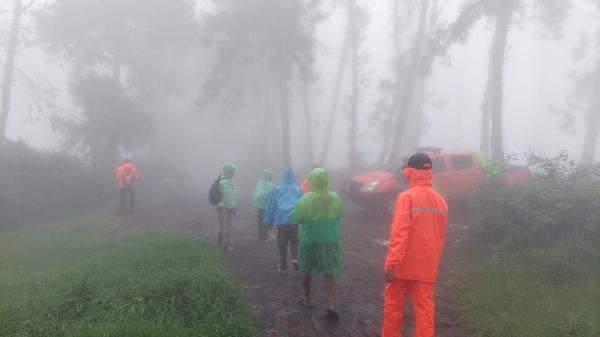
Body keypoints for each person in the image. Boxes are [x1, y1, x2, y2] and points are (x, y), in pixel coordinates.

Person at [381, 153, 448, 337]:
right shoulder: (440, 201)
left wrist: (391, 264)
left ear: (410, 171)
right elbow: (440, 237)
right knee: (425, 314)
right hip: (426, 268)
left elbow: (399, 233)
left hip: (402, 268)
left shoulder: (406, 197)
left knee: (393, 311)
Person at [294, 167, 342, 321]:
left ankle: (307, 298)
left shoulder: (306, 198)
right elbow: (339, 214)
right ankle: (332, 304)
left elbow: (298, 217)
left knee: (306, 269)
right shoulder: (334, 197)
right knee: (329, 271)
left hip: (310, 239)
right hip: (329, 239)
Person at [264, 167, 303, 273]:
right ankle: (295, 258)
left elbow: (271, 205)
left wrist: (269, 219)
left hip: (281, 220)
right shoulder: (298, 189)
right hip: (294, 219)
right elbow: (302, 203)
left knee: (282, 243)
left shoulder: (277, 189)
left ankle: (283, 266)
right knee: (295, 240)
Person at [217, 162, 237, 251]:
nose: (233, 174)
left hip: (222, 206)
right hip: (225, 207)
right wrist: (232, 207)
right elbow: (228, 196)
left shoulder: (222, 180)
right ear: (228, 171)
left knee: (223, 225)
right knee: (227, 225)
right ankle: (226, 245)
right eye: (232, 172)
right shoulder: (225, 182)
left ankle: (220, 243)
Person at [253, 169, 274, 241]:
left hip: (259, 205)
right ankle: (265, 237)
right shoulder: (270, 185)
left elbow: (256, 193)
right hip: (266, 205)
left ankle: (260, 236)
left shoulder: (259, 183)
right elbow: (271, 195)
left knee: (259, 220)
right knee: (265, 221)